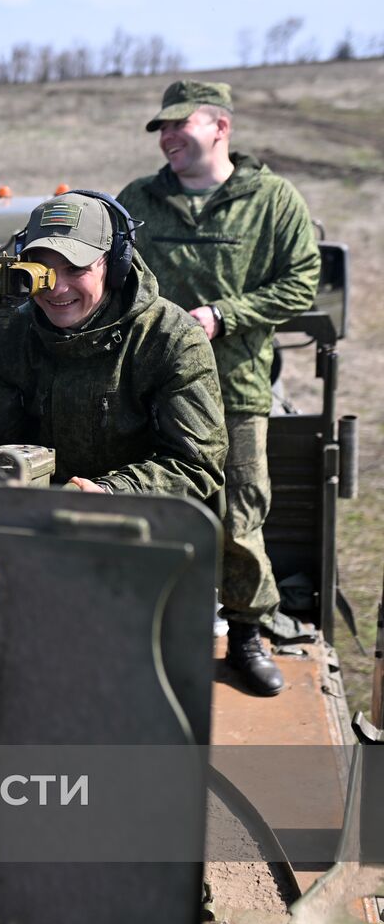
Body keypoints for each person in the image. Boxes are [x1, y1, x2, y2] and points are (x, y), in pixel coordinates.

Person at [117, 80, 321, 697]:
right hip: (148, 387)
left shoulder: (272, 199)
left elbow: (301, 282)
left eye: (180, 125)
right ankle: (142, 636)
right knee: (146, 508)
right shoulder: (138, 199)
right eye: (162, 129)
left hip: (235, 388)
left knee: (239, 515)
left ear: (221, 128)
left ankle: (245, 636)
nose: (168, 137)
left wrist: (224, 315)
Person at [0, 190, 226, 502]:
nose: (58, 289)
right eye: (43, 271)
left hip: (146, 521)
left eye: (76, 269)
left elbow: (197, 464)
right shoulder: (15, 336)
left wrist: (110, 492)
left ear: (115, 265)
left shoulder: (171, 339)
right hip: (41, 519)